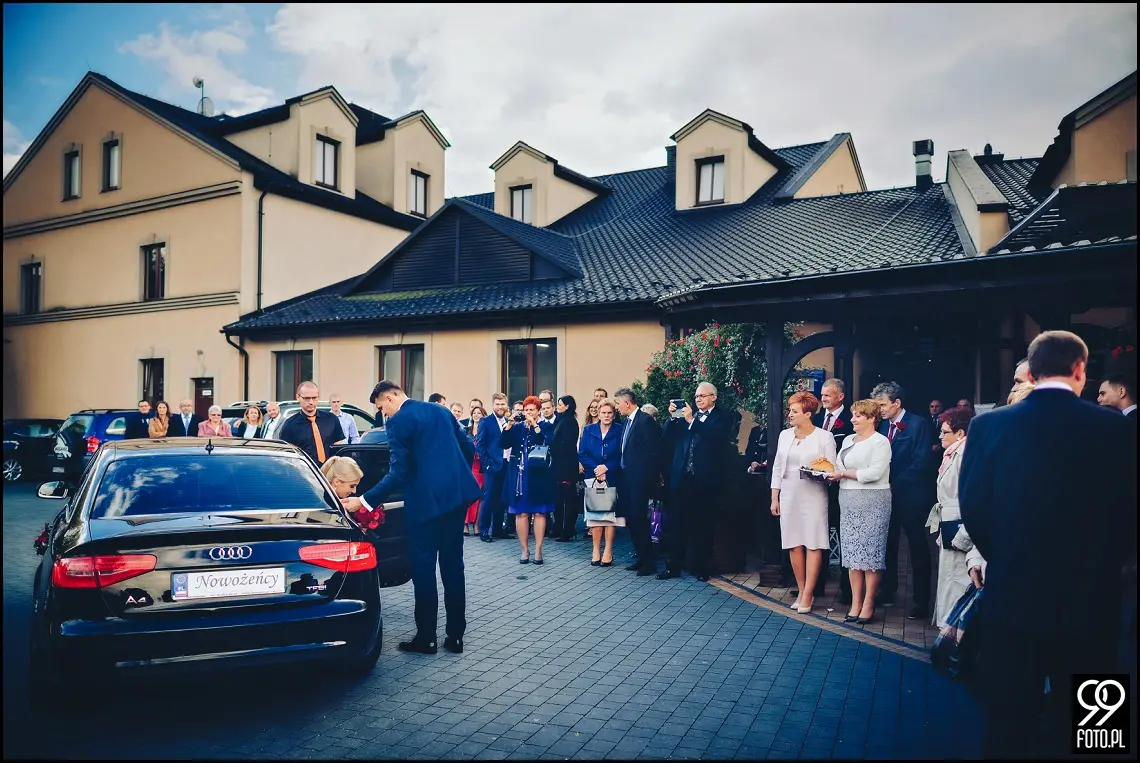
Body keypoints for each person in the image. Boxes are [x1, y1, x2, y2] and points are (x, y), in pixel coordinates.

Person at [960, 330, 1136, 760]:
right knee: (1098, 726)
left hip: (1014, 596)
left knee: (1008, 721)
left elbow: (974, 505)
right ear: (1081, 370)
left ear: (1033, 373)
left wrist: (1006, 555)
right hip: (1093, 600)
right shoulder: (1116, 427)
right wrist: (1108, 561)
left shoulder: (989, 425)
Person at [345, 380, 481, 656]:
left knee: (423, 570)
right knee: (454, 568)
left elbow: (398, 473)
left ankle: (427, 638)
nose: (385, 415)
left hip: (424, 506)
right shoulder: (440, 411)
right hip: (455, 499)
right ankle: (456, 638)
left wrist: (363, 500)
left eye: (383, 408)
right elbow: (467, 447)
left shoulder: (397, 423)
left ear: (392, 396)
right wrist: (453, 477)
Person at [872, 381, 935, 619]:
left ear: (897, 403)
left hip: (912, 496)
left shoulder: (918, 424)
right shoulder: (880, 427)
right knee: (887, 544)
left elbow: (922, 462)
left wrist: (893, 485)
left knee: (917, 547)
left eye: (883, 405)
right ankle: (887, 591)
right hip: (885, 496)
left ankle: (921, 601)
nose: (880, 410)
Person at [661, 382, 735, 581]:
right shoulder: (686, 417)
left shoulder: (723, 417)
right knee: (676, 524)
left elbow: (718, 437)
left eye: (703, 396)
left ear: (714, 397)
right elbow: (667, 437)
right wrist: (672, 417)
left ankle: (702, 568)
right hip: (682, 478)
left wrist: (692, 421)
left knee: (704, 525)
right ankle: (673, 566)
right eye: (696, 396)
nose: (698, 399)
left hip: (706, 481)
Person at [826, 399, 892, 625]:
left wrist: (844, 474)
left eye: (858, 416)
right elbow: (838, 465)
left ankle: (869, 603)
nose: (852, 419)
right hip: (848, 498)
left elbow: (875, 472)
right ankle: (855, 602)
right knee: (853, 554)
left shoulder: (880, 442)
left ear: (872, 418)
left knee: (871, 554)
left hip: (874, 499)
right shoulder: (846, 440)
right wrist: (829, 472)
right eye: (853, 415)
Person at [770, 391, 836, 613]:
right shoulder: (784, 435)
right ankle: (800, 589)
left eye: (794, 411)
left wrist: (818, 471)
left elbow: (831, 469)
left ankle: (809, 594)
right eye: (790, 410)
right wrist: (774, 497)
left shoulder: (824, 437)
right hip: (789, 493)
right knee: (793, 542)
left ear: (808, 413)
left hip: (813, 494)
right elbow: (778, 467)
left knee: (813, 542)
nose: (790, 414)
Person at [925, 406, 984, 629]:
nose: (940, 436)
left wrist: (964, 533)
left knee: (958, 577)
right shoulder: (951, 453)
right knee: (949, 575)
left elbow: (974, 496)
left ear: (960, 433)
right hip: (949, 519)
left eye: (945, 432)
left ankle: (956, 626)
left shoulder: (965, 454)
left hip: (961, 522)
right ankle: (948, 624)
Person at [502, 396, 556, 564]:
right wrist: (509, 425)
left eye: (532, 410)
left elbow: (548, 443)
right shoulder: (517, 428)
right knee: (521, 512)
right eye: (526, 410)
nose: (528, 413)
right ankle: (525, 550)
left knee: (539, 512)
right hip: (518, 476)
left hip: (538, 475)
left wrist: (534, 425)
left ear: (538, 411)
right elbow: (503, 443)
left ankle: (538, 549)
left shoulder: (546, 426)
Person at [614, 387, 661, 576]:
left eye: (618, 403)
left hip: (639, 480)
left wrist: (648, 478)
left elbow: (654, 451)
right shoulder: (627, 422)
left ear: (627, 403)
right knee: (632, 520)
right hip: (626, 478)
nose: (617, 407)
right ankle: (641, 558)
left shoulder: (645, 421)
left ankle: (648, 562)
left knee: (640, 519)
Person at [812, 378, 851, 601]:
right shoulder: (817, 419)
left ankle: (846, 590)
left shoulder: (850, 420)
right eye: (822, 394)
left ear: (840, 397)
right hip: (818, 486)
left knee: (843, 536)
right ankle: (816, 585)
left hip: (840, 486)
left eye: (827, 395)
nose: (823, 398)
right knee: (819, 535)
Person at [578, 398, 623, 566]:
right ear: (599, 413)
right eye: (603, 412)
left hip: (612, 476)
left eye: (609, 413)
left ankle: (608, 552)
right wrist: (597, 468)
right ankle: (595, 550)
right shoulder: (589, 430)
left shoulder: (620, 430)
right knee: (596, 517)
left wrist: (607, 468)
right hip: (593, 476)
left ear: (614, 414)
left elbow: (622, 454)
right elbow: (582, 453)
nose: (606, 415)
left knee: (609, 517)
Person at [277, 381, 345, 466]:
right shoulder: (290, 425)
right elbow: (287, 455)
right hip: (304, 473)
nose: (311, 402)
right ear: (298, 397)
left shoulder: (331, 419)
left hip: (329, 472)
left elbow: (339, 447)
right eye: (307, 398)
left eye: (314, 398)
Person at [476, 393, 512, 542]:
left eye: (502, 404)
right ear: (492, 405)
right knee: (489, 499)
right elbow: (480, 444)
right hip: (493, 466)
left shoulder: (509, 421)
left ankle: (498, 530)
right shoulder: (486, 421)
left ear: (506, 405)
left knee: (502, 499)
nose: (500, 407)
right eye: (497, 404)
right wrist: (488, 464)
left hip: (507, 465)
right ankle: (484, 531)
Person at [551, 396, 581, 542]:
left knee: (568, 499)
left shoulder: (569, 422)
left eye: (560, 404)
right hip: (561, 464)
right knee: (560, 499)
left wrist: (553, 448)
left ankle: (567, 530)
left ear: (567, 406)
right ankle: (561, 528)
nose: (558, 406)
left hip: (566, 466)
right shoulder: (562, 420)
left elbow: (566, 444)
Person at [463, 406, 487, 536]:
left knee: (480, 498)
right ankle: (465, 524)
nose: (476, 415)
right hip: (469, 467)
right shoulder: (466, 430)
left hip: (482, 467)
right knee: (468, 496)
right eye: (474, 413)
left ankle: (477, 525)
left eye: (479, 413)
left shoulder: (485, 429)